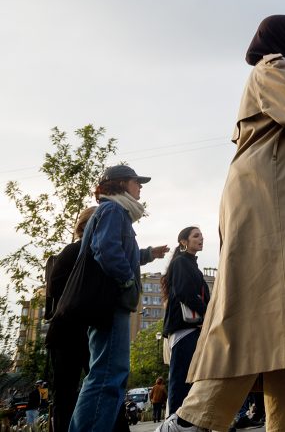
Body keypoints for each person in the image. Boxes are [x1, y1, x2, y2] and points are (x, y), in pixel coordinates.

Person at [159, 15, 285, 432]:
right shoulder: (276, 67)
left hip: (276, 198)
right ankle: (193, 420)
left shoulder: (273, 75)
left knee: (281, 313)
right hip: (275, 204)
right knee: (253, 312)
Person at [70, 165, 169, 432]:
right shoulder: (113, 210)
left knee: (105, 374)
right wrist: (127, 281)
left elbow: (123, 251)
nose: (140, 187)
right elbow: (106, 249)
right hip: (111, 304)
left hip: (109, 305)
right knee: (107, 376)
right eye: (137, 182)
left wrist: (149, 253)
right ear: (121, 184)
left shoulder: (112, 211)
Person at [44, 206, 98, 432]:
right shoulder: (73, 252)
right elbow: (55, 289)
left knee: (99, 386)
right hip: (67, 333)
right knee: (65, 393)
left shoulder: (97, 254)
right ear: (85, 226)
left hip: (88, 332)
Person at [161, 227, 210, 417]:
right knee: (181, 380)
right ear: (184, 242)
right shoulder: (182, 262)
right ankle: (175, 423)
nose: (201, 238)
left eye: (202, 236)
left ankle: (184, 422)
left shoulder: (190, 264)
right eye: (196, 236)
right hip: (184, 329)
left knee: (189, 380)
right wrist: (207, 314)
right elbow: (184, 292)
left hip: (191, 328)